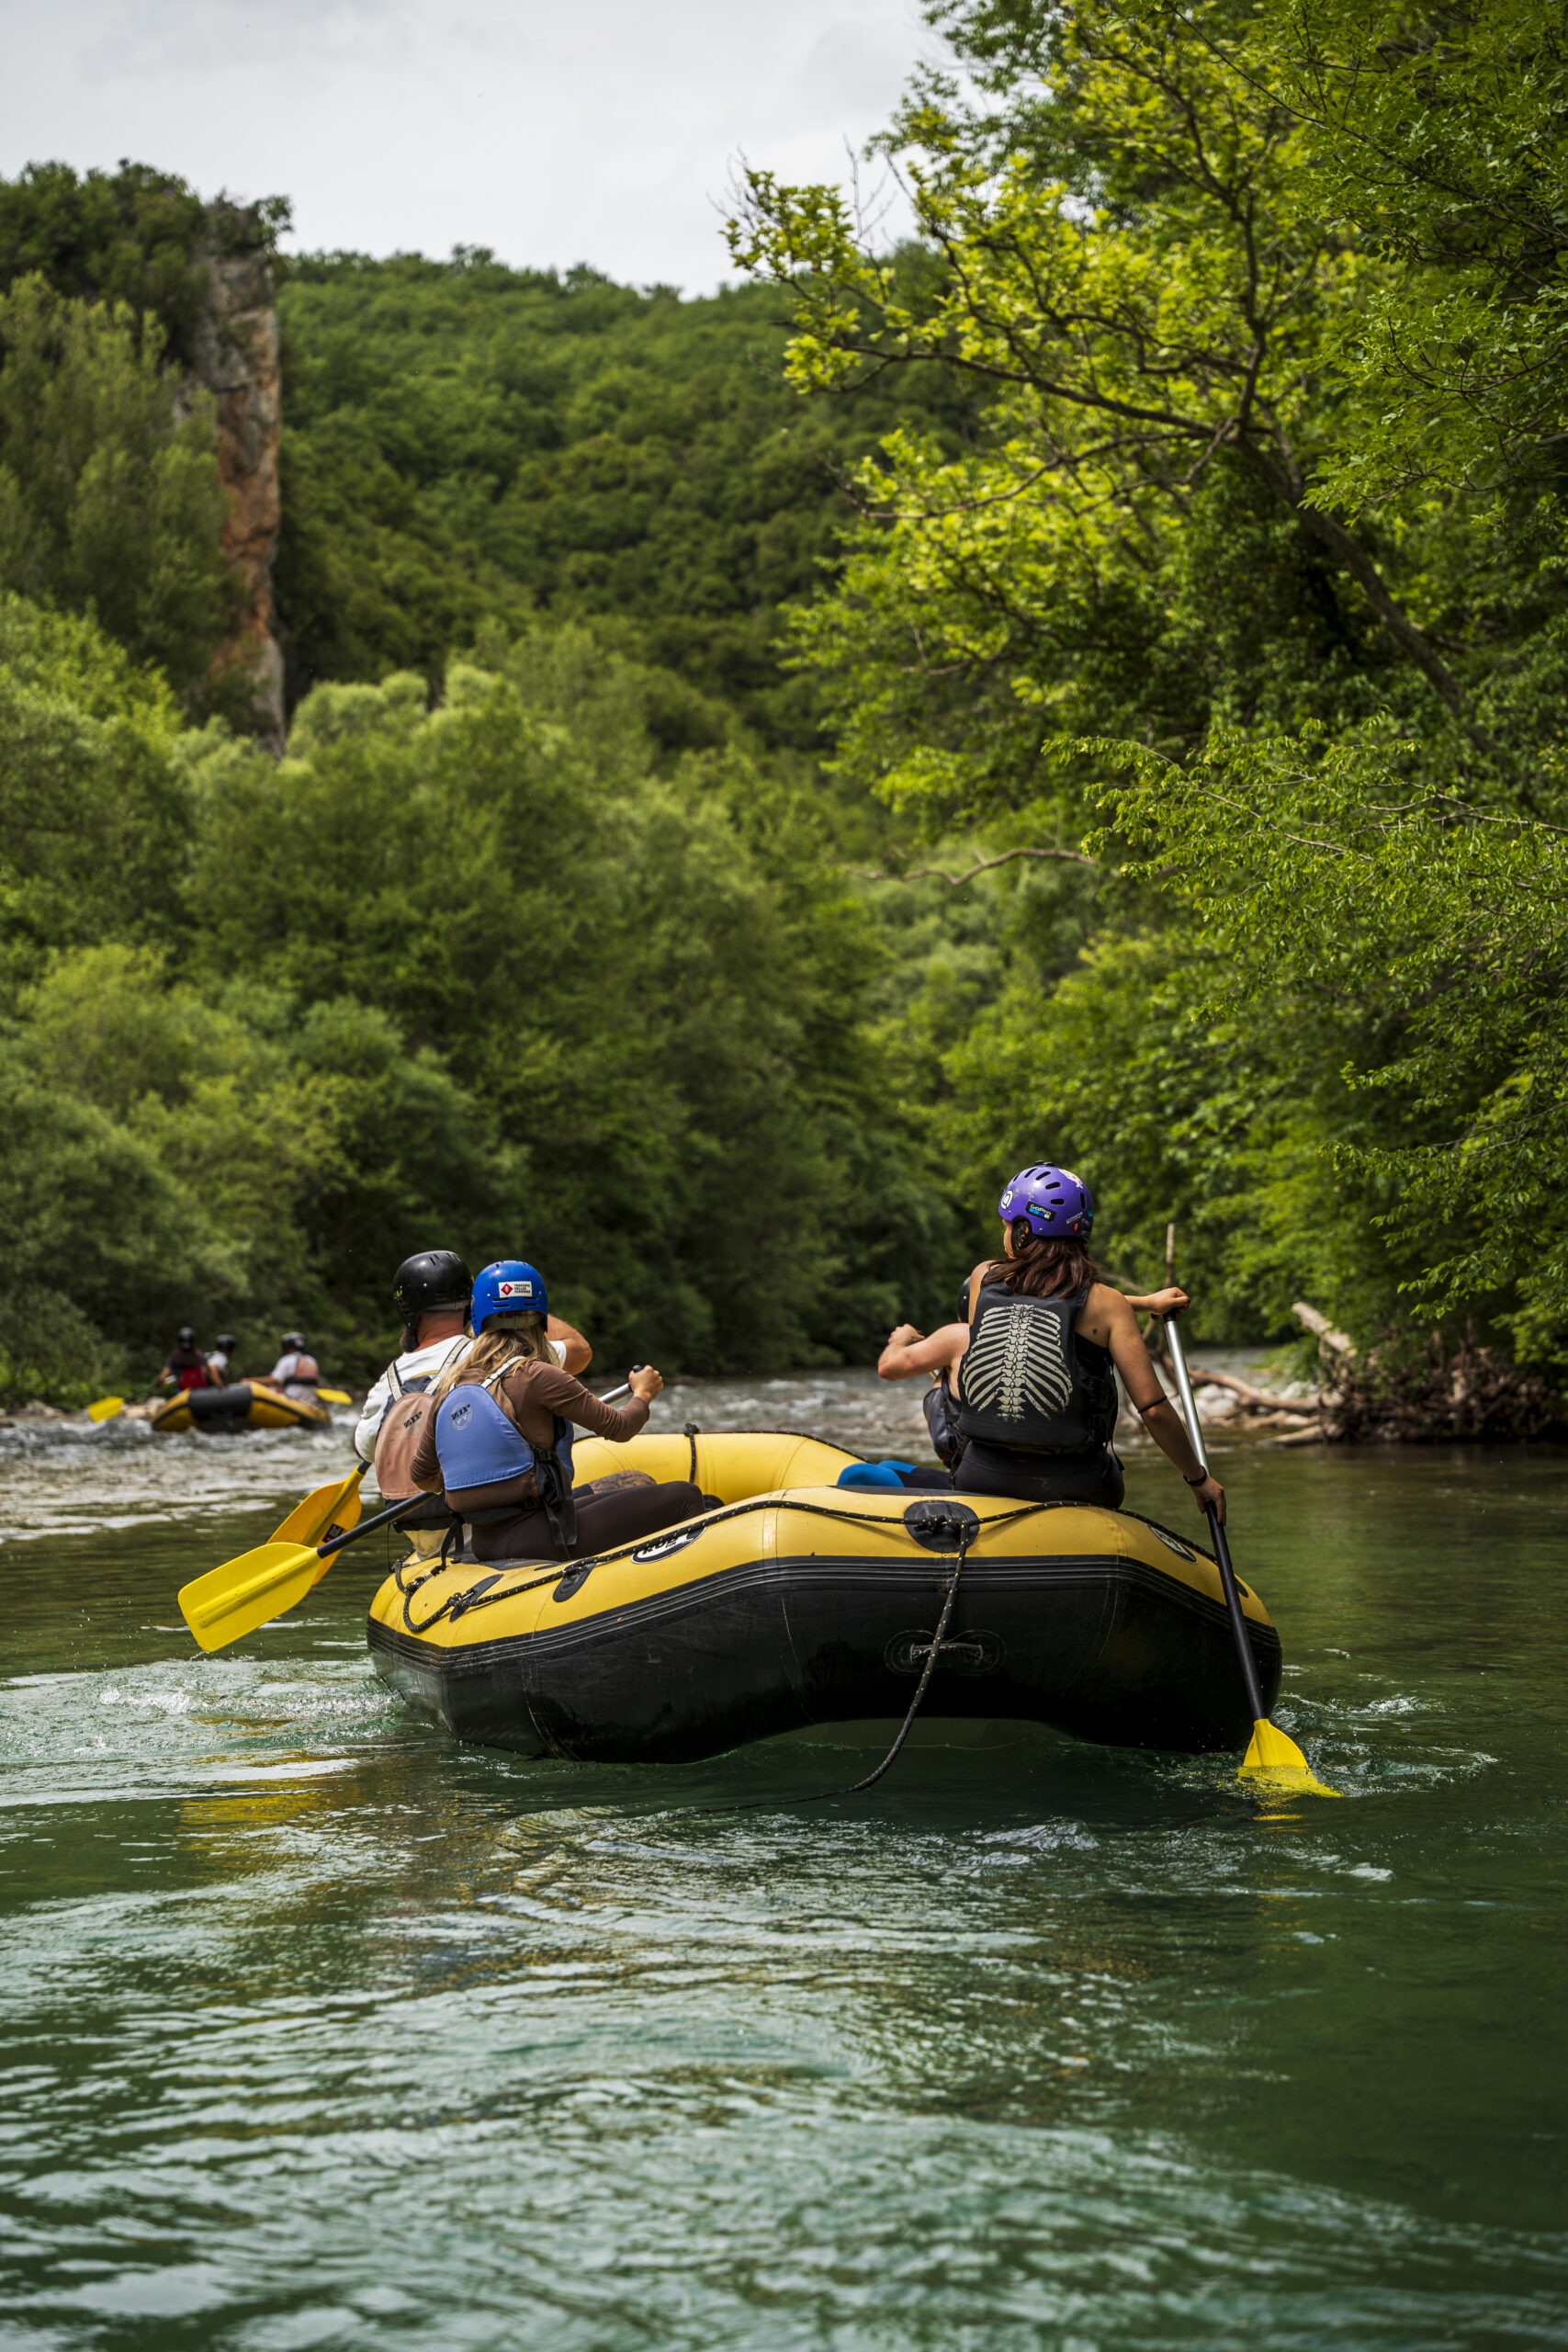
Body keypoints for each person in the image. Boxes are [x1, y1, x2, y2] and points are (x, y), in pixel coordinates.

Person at [876, 1162, 1224, 1521]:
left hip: (980, 1477)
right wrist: (1198, 1479)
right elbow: (1153, 1410)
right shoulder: (1109, 1305)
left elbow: (1038, 1299)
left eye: (1007, 1226)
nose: (1004, 1234)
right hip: (1080, 1484)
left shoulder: (983, 1277)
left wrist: (1142, 1303)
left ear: (1024, 1231)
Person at [409, 1258, 704, 1563]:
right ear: (541, 1318)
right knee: (685, 1497)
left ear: (477, 1318)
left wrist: (476, 1481)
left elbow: (421, 1475)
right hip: (543, 1537)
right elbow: (621, 1427)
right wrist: (643, 1393)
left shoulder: (450, 1386)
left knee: (627, 1490)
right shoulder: (537, 1375)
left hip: (486, 1541)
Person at [354, 1249, 592, 1498]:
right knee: (619, 1483)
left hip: (416, 1516)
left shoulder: (385, 1383)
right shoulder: (496, 1352)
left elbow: (365, 1449)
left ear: (406, 1310)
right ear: (471, 1301)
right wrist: (524, 1306)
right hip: (494, 1510)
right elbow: (580, 1352)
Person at [263, 1331, 323, 1402]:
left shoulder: (288, 1359)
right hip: (309, 1402)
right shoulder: (312, 1360)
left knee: (271, 1389)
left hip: (291, 1400)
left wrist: (252, 1381)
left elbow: (274, 1380)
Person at [158, 1327, 214, 1392]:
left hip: (182, 1392)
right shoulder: (199, 1355)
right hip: (200, 1391)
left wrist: (158, 1385)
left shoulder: (175, 1357)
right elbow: (209, 1370)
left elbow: (163, 1376)